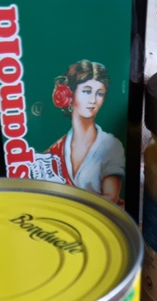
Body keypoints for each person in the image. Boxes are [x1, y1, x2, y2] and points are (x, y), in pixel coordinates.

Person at [45, 60, 125, 205]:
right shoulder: (55, 150)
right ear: (70, 94)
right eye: (87, 91)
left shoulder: (111, 145)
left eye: (99, 94)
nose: (93, 100)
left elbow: (111, 198)